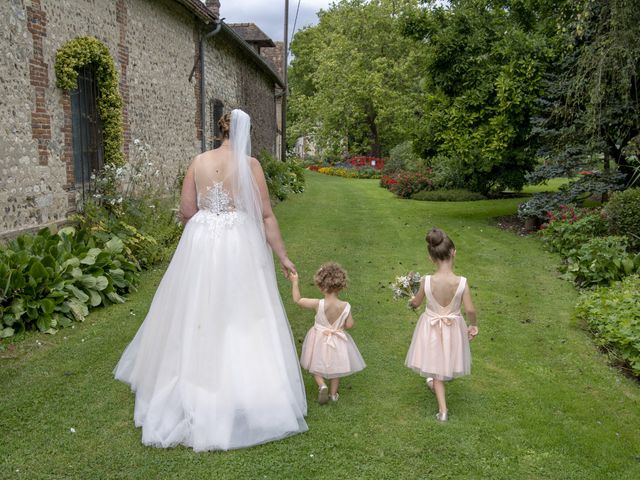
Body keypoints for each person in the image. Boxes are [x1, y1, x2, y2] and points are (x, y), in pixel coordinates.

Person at [114, 109, 308, 451]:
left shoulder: (197, 161)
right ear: (242, 132)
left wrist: (204, 226)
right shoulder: (250, 165)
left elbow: (187, 211)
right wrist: (283, 256)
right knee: (242, 313)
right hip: (238, 241)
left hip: (201, 240)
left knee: (196, 309)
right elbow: (265, 215)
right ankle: (244, 389)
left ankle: (193, 379)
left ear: (220, 131)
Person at [405, 228, 478, 421]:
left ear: (431, 258)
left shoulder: (426, 281)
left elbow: (417, 302)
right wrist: (473, 325)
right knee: (448, 359)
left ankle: (443, 411)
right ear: (454, 251)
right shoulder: (462, 282)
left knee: (436, 367)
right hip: (453, 327)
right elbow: (470, 309)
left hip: (431, 327)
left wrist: (410, 301)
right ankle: (437, 383)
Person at [289, 262, 365, 404]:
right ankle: (333, 395)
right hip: (337, 340)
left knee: (315, 363)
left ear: (320, 285)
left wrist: (295, 282)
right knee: (337, 369)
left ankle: (322, 384)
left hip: (318, 338)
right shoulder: (346, 306)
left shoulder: (318, 304)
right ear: (341, 286)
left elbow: (298, 300)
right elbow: (349, 324)